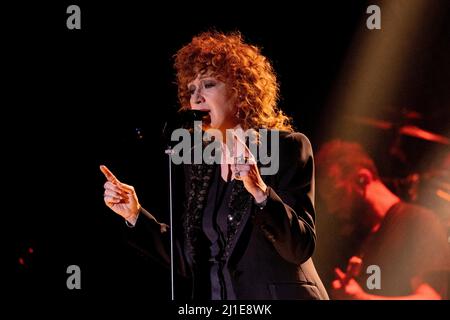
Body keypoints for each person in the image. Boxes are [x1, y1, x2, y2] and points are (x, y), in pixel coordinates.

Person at [100, 31, 329, 300]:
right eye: (191, 90)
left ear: (241, 89)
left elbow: (299, 247)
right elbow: (191, 259)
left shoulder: (286, 147)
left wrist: (259, 192)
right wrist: (135, 215)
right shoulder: (199, 164)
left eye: (208, 85)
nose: (196, 99)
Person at [315, 139, 450, 300]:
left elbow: (431, 297)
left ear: (362, 179)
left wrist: (360, 298)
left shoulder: (418, 222)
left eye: (336, 194)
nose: (332, 208)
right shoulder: (364, 237)